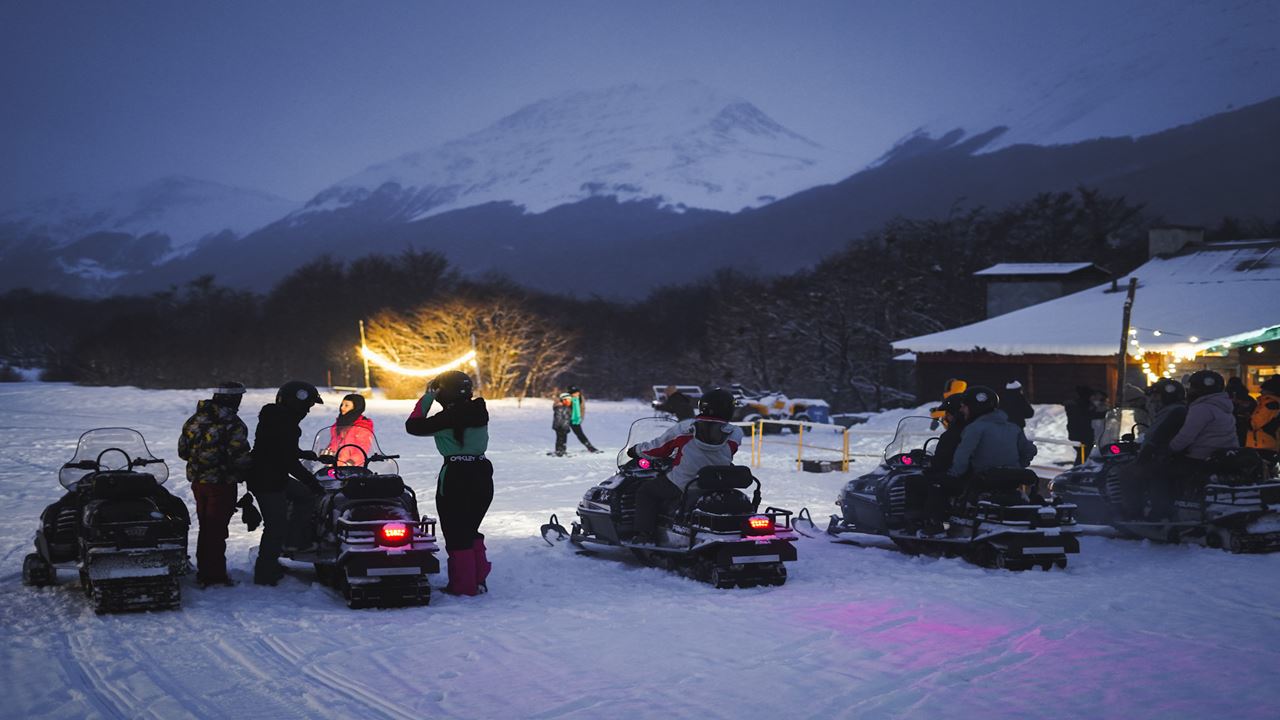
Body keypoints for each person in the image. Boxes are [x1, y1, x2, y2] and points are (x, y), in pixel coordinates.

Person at [406, 370, 492, 596]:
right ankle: (478, 578)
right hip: (482, 472)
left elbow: (413, 425)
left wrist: (428, 397)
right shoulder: (479, 410)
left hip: (456, 475)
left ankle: (463, 586)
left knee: (456, 532)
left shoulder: (445, 419)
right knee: (471, 528)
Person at [627, 388, 743, 544]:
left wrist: (636, 450)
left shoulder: (686, 428)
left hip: (684, 483)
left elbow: (658, 448)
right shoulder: (735, 433)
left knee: (646, 491)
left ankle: (643, 535)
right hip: (717, 484)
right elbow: (724, 454)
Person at [248, 380, 325, 586]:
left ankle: (294, 541)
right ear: (294, 403)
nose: (308, 411)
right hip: (267, 481)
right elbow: (286, 460)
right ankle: (265, 572)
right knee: (275, 526)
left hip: (273, 475)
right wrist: (312, 481)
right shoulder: (283, 422)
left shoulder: (280, 419)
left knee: (305, 496)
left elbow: (281, 450)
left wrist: (303, 454)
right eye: (307, 406)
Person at [177, 381, 252, 588]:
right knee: (217, 529)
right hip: (222, 484)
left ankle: (206, 569)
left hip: (198, 483)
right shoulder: (233, 423)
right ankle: (213, 575)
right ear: (233, 398)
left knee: (206, 526)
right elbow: (240, 457)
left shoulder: (194, 419)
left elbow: (183, 452)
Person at [1151, 370, 1239, 519]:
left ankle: (1162, 512)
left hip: (1201, 457)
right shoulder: (1223, 405)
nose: (1189, 390)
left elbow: (1186, 436)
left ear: (1199, 389)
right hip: (1221, 456)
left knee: (1159, 473)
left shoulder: (1201, 408)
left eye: (1192, 387)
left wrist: (1169, 448)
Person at [1118, 379, 1187, 519]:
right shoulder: (1172, 410)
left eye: (1157, 396)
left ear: (1166, 396)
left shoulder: (1174, 411)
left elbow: (1159, 434)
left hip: (1167, 457)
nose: (1154, 400)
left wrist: (1146, 452)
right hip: (1169, 455)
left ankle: (1134, 513)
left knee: (1129, 472)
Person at [949, 386, 1038, 480]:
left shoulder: (974, 428)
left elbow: (962, 456)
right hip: (1011, 484)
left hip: (983, 484)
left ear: (974, 407)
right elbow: (1029, 450)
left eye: (964, 406)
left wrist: (953, 475)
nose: (961, 410)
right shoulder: (1013, 428)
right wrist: (1016, 469)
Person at [327, 393, 374, 466]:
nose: (342, 408)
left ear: (356, 407)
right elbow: (333, 444)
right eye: (342, 405)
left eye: (346, 405)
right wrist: (327, 454)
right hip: (335, 466)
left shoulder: (362, 426)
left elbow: (363, 448)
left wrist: (352, 461)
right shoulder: (338, 425)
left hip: (352, 467)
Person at [1065, 386, 1106, 462]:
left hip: (1078, 434)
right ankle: (1080, 469)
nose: (1093, 398)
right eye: (1092, 396)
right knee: (1083, 454)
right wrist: (1105, 413)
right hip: (1082, 435)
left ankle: (1080, 468)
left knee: (1082, 454)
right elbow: (1090, 415)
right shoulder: (1082, 406)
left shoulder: (1077, 405)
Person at [1247, 377, 1280, 453]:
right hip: (1266, 443)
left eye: (1263, 390)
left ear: (1271, 391)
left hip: (1263, 444)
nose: (1261, 392)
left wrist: (1246, 419)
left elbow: (1254, 424)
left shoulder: (1270, 404)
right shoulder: (1271, 403)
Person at [1225, 377, 1258, 448]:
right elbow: (1254, 410)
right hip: (1244, 425)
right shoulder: (1248, 398)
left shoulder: (1224, 397)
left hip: (1228, 425)